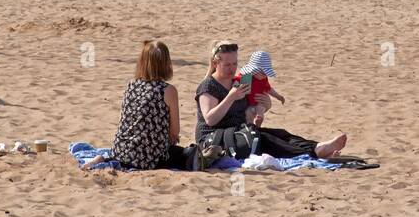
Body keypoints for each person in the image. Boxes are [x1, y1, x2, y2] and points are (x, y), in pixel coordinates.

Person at [81, 41, 225, 172]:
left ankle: (104, 159)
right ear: (167, 64)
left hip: (120, 150)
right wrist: (170, 138)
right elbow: (175, 131)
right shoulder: (167, 90)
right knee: (186, 155)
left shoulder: (131, 84)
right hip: (149, 158)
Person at [195, 41, 347, 159]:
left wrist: (264, 105)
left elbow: (249, 108)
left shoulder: (239, 81)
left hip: (240, 132)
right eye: (227, 64)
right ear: (215, 64)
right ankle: (315, 152)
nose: (232, 68)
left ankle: (318, 147)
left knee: (279, 134)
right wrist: (231, 97)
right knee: (264, 139)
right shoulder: (208, 85)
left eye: (235, 63)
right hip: (213, 139)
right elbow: (210, 119)